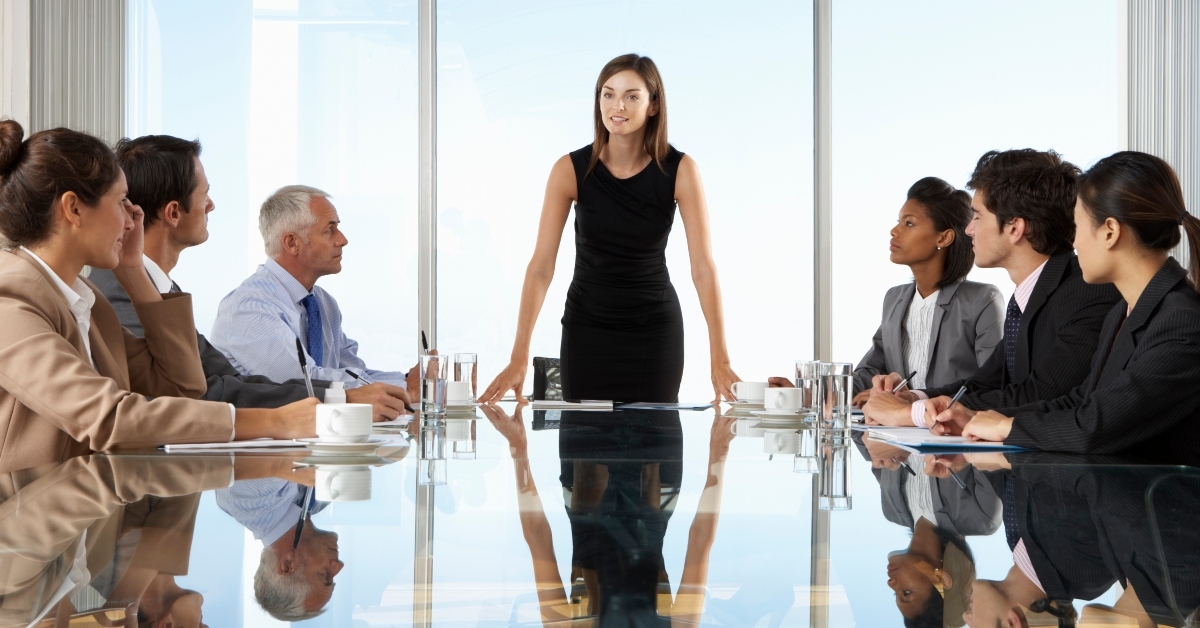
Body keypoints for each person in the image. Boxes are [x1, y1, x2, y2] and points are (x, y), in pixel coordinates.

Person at [0, 120, 315, 472]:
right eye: (121, 202)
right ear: (74, 209)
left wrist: (134, 273)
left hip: (86, 516)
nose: (132, 220)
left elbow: (181, 388)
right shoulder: (9, 305)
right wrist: (273, 423)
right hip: (26, 518)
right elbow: (108, 418)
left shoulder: (85, 301)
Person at [89, 135, 410, 420]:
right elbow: (195, 394)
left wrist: (357, 395)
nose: (211, 205)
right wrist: (340, 400)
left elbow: (227, 379)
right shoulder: (120, 289)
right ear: (173, 213)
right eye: (205, 195)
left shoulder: (161, 287)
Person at [479, 54, 739, 404]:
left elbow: (703, 270)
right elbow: (540, 268)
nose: (618, 105)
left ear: (653, 105)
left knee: (654, 448)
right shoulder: (569, 170)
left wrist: (719, 360)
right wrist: (518, 357)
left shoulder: (680, 170)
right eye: (608, 94)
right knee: (585, 449)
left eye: (632, 96)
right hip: (587, 329)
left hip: (654, 331)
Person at [930, 152, 1200, 460]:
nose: (1074, 242)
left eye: (1078, 225)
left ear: (1110, 232)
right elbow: (1079, 401)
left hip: (1163, 505)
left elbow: (1095, 426)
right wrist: (975, 417)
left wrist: (1008, 426)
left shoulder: (1183, 320)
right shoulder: (1122, 313)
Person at [863, 149, 1122, 428]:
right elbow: (981, 384)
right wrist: (911, 397)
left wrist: (914, 413)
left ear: (1015, 228)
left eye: (977, 217)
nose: (969, 230)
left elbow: (1040, 393)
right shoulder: (1028, 296)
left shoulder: (1088, 291)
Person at [770, 177, 1004, 404]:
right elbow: (868, 374)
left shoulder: (982, 300)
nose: (894, 231)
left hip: (955, 436)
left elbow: (991, 385)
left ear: (944, 237)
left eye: (909, 223)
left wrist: (915, 401)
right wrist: (809, 395)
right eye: (899, 221)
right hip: (898, 435)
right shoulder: (895, 299)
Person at [210, 185, 415, 391]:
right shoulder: (250, 308)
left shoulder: (323, 303)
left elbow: (355, 374)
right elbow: (306, 382)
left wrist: (409, 381)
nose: (342, 240)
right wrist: (405, 387)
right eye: (329, 229)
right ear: (292, 243)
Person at [215, 478, 341, 621]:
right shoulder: (319, 501)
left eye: (325, 575)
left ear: (287, 563)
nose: (338, 566)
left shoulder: (250, 500)